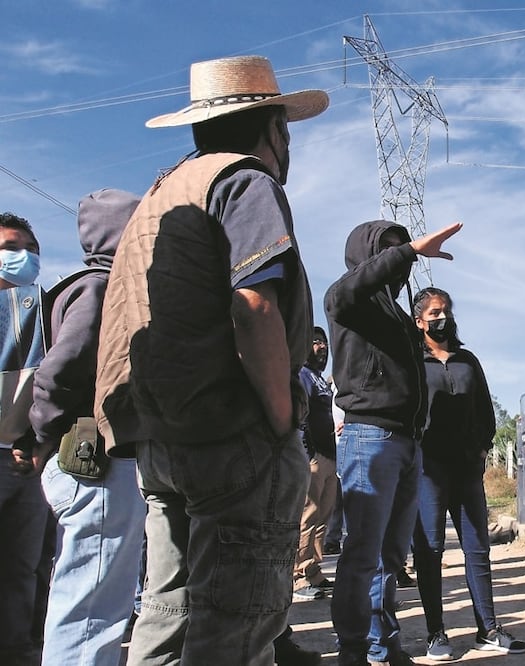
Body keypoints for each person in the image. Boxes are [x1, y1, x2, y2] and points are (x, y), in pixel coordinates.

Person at [94, 55, 327, 664]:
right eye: (285, 131)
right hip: (232, 437)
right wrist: (281, 417)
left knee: (167, 616)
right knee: (239, 628)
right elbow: (254, 304)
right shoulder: (246, 181)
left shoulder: (160, 195)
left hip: (164, 437)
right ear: (272, 128)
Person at [325, 219, 461, 666]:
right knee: (361, 553)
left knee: (390, 559)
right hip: (369, 437)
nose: (401, 256)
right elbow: (348, 291)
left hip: (405, 443)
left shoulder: (400, 317)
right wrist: (410, 251)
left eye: (402, 247)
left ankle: (385, 645)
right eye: (389, 249)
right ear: (367, 255)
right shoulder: (348, 300)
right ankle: (353, 651)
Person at [28, 189, 145, 666]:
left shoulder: (81, 284)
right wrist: (45, 434)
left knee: (89, 596)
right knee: (92, 607)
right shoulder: (102, 288)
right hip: (95, 461)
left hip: (85, 460)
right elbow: (58, 372)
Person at [409, 287, 525, 661]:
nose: (441, 318)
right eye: (433, 313)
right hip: (428, 469)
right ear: (419, 321)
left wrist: (481, 447)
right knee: (429, 550)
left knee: (477, 547)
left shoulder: (467, 359)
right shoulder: (413, 360)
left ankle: (488, 629)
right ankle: (436, 634)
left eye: (445, 310)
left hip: (466, 467)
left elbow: (485, 409)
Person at [0, 212, 48, 665]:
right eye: (13, 248)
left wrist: (36, 441)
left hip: (22, 460)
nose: (24, 258)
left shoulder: (38, 310)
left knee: (23, 568)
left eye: (31, 249)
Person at [293, 326, 338, 601]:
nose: (321, 347)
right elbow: (301, 416)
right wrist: (307, 453)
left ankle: (314, 571)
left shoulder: (321, 379)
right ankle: (298, 576)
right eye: (315, 342)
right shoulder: (303, 374)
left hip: (329, 457)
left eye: (323, 342)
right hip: (313, 458)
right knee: (306, 518)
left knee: (323, 517)